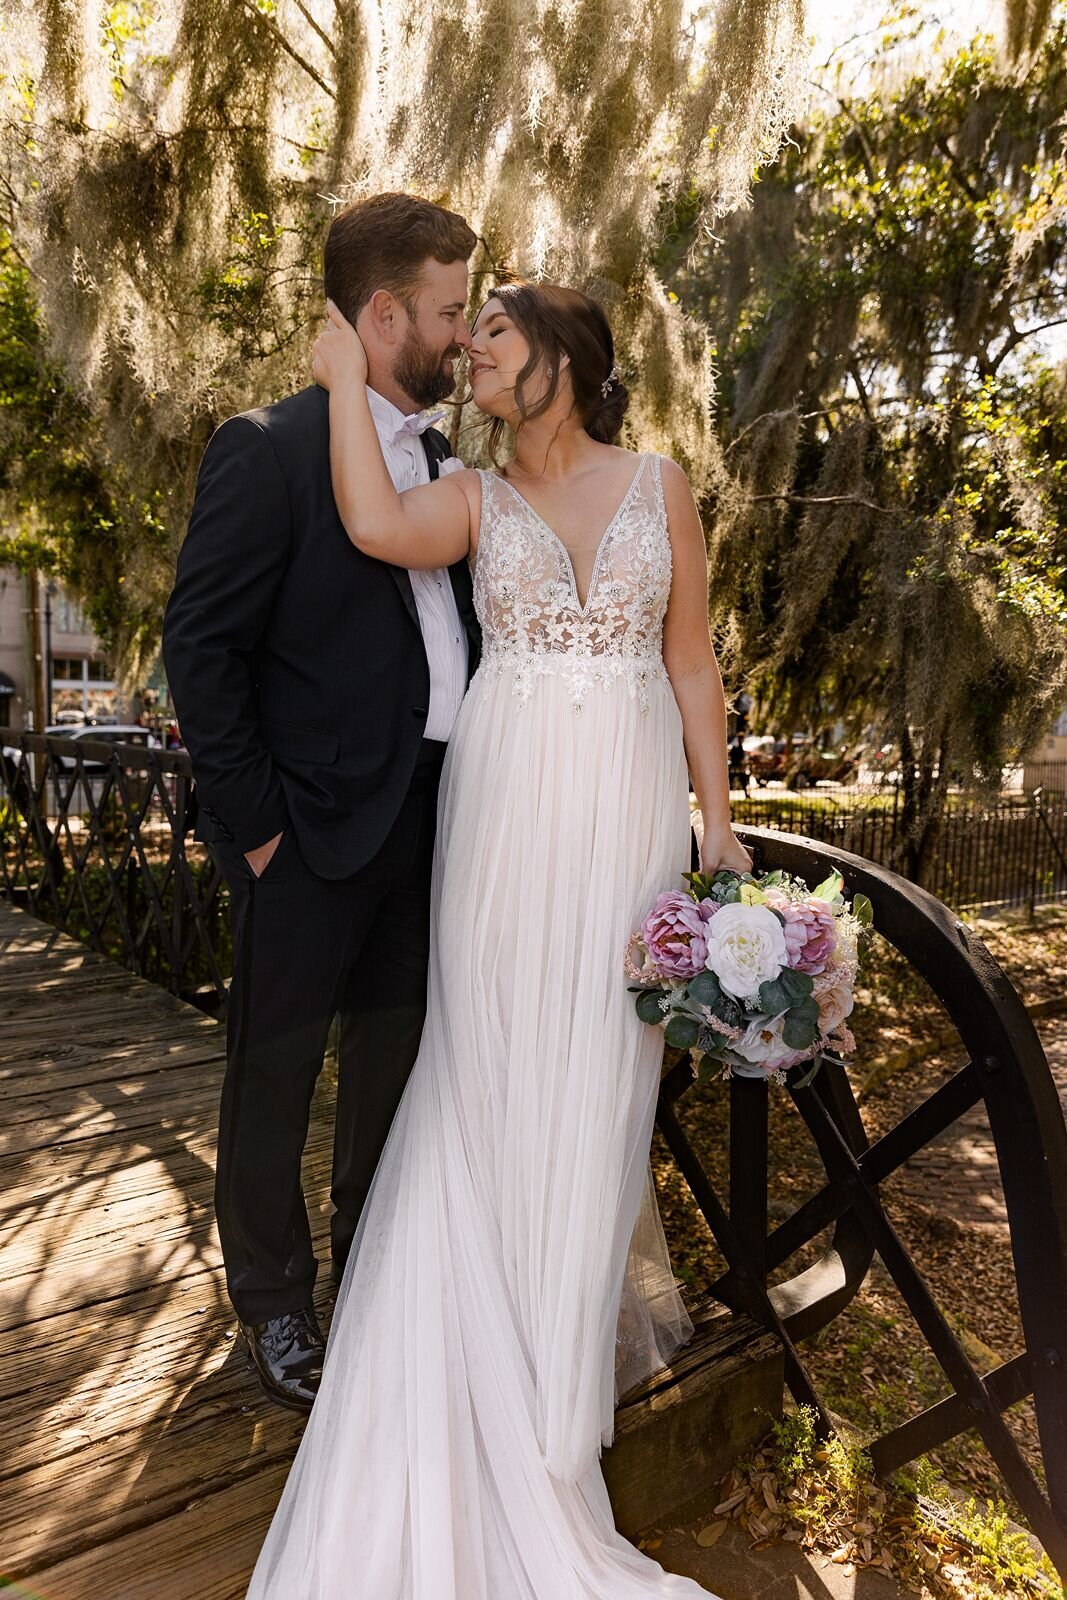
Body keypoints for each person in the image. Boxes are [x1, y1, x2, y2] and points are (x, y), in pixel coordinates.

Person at [246, 280, 750, 1597]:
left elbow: (688, 657)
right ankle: (464, 1395)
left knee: (595, 1093)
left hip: (627, 823)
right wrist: (335, 380)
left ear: (566, 356)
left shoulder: (661, 485)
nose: (470, 356)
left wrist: (714, 820)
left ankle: (547, 1419)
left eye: (494, 337)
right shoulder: (470, 498)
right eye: (462, 342)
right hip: (507, 821)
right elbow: (366, 517)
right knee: (489, 1086)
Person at [161, 193, 481, 1411]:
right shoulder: (268, 446)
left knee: (391, 1080)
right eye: (447, 312)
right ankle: (276, 1308)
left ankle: (373, 1291)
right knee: (275, 1083)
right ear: (381, 311)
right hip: (303, 837)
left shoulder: (446, 462)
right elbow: (202, 647)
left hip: (428, 828)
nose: (461, 337)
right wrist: (255, 827)